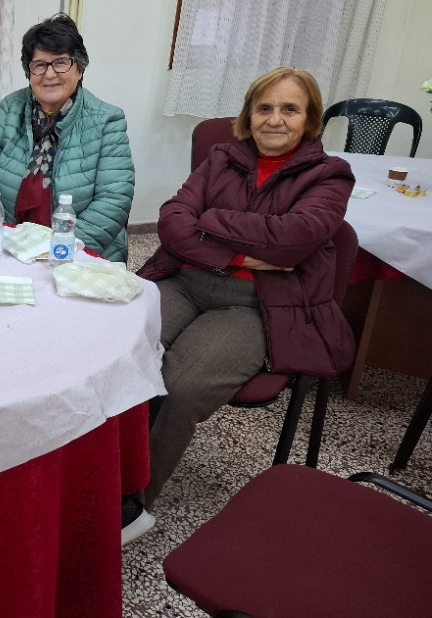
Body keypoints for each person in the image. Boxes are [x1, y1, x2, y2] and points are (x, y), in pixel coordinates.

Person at [124, 67, 356, 545]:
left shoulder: (330, 174)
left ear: (310, 118)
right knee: (118, 350)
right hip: (186, 280)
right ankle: (88, 472)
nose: (275, 119)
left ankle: (129, 503)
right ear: (249, 116)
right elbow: (172, 221)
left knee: (181, 385)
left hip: (259, 303)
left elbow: (295, 240)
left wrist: (208, 220)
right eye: (264, 108)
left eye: (290, 109)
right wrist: (238, 252)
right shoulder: (222, 158)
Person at [0, 13, 134, 262]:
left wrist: (55, 250)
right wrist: (2, 242)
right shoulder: (8, 110)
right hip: (9, 248)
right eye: (39, 65)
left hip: (76, 252)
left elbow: (113, 201)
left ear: (79, 69)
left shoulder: (107, 120)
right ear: (29, 72)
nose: (50, 74)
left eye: (61, 62)